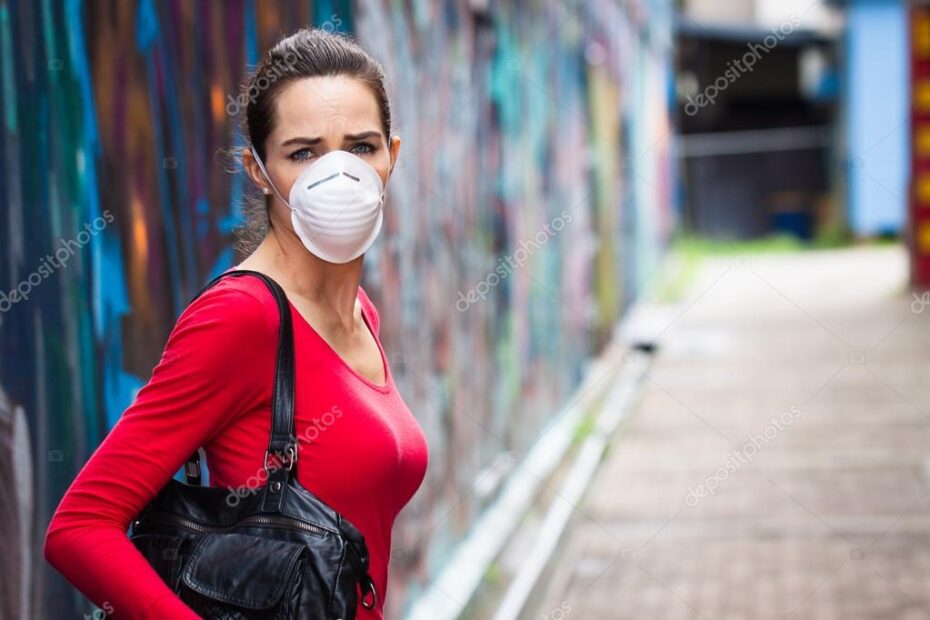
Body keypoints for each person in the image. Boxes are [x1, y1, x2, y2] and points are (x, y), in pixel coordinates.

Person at [43, 27, 429, 619]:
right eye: (304, 153)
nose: (339, 176)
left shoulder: (357, 312)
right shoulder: (241, 319)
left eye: (360, 147)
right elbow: (79, 527)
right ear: (257, 170)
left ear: (391, 156)